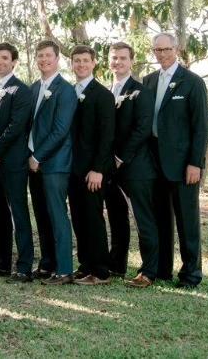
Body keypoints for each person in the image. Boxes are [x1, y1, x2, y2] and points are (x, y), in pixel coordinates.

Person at [142, 32, 208, 289]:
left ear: (176, 49)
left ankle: (191, 273)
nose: (162, 54)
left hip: (183, 165)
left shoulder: (192, 82)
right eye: (157, 50)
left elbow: (201, 127)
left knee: (187, 220)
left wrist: (196, 163)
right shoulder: (148, 81)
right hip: (154, 161)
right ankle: (162, 269)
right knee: (161, 218)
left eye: (166, 49)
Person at [107, 41, 159, 288]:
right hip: (110, 169)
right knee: (117, 218)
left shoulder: (140, 92)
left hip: (136, 167)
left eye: (122, 58)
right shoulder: (108, 91)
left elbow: (142, 130)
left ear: (131, 62)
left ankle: (148, 271)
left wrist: (119, 158)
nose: (117, 62)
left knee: (143, 220)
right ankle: (116, 265)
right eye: (114, 57)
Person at [0, 42, 34, 284]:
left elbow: (16, 127)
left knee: (18, 214)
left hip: (12, 162)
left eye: (4, 58)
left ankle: (24, 267)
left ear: (14, 61)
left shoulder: (21, 90)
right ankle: (2, 262)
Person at [26, 39, 77, 285]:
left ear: (57, 59)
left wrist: (37, 156)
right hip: (34, 165)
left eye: (48, 55)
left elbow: (60, 130)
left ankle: (65, 269)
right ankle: (47, 264)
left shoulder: (65, 90)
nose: (44, 59)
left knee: (57, 216)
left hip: (54, 164)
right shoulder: (34, 88)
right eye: (40, 56)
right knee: (42, 216)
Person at [67, 44, 115, 285]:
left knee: (94, 218)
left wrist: (98, 169)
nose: (81, 65)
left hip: (93, 170)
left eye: (86, 60)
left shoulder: (103, 95)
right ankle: (85, 265)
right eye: (77, 61)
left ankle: (101, 271)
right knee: (78, 217)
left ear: (94, 63)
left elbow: (107, 136)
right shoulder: (70, 91)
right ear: (72, 63)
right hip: (73, 169)